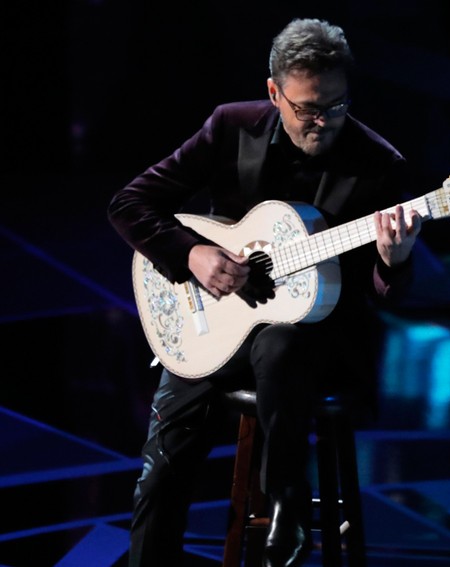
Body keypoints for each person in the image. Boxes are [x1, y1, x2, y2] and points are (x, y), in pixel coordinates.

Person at [108, 18, 422, 567]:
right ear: (275, 92)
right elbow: (129, 204)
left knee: (282, 343)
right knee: (161, 472)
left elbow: (383, 296)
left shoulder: (378, 165)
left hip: (316, 346)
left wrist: (393, 264)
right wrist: (191, 253)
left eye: (336, 106)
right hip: (215, 321)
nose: (322, 122)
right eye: (306, 109)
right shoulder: (232, 127)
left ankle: (287, 504)